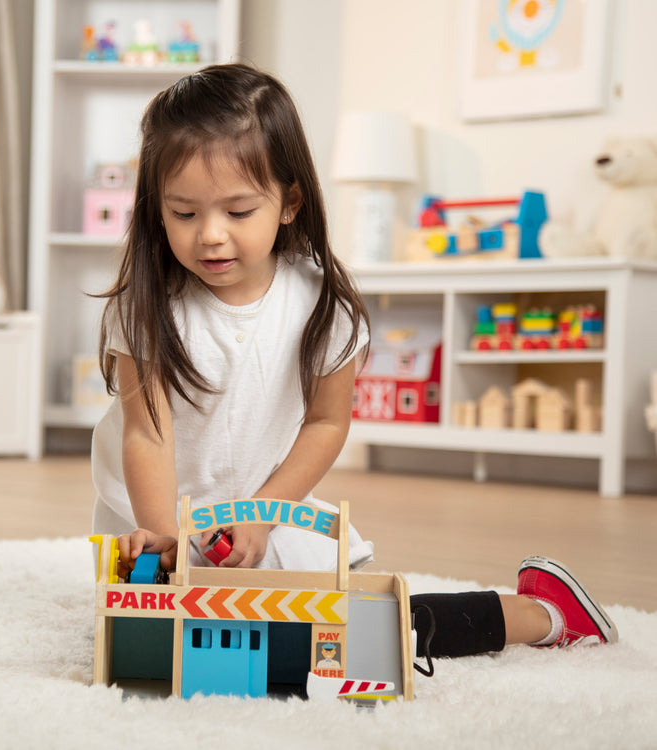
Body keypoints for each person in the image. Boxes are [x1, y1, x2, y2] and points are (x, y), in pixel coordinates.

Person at [92, 63, 618, 661]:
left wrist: (263, 519)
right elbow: (147, 434)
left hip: (268, 513)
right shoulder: (144, 307)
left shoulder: (321, 303)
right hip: (154, 528)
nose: (210, 235)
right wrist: (164, 540)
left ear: (289, 201)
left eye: (238, 212)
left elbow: (325, 423)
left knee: (350, 641)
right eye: (184, 213)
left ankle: (541, 613)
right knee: (168, 649)